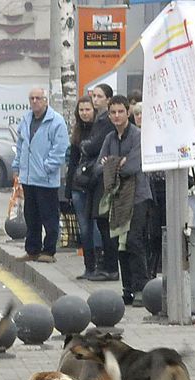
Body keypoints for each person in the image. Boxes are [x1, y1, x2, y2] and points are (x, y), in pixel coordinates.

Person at [97, 95, 152, 306]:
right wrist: (115, 163)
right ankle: (127, 289)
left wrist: (112, 164)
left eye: (121, 111)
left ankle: (142, 288)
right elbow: (99, 167)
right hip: (118, 198)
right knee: (121, 244)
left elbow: (132, 167)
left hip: (138, 195)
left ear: (127, 112)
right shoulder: (110, 138)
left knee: (134, 241)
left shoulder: (137, 136)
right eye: (113, 112)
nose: (117, 116)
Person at [11, 87, 69, 263]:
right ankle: (32, 249)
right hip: (29, 178)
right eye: (32, 98)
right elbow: (21, 144)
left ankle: (49, 251)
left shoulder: (56, 121)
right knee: (31, 216)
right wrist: (17, 166)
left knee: (49, 216)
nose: (35, 101)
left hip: (46, 179)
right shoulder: (26, 119)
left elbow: (60, 148)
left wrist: (47, 167)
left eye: (38, 98)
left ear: (45, 100)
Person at [78, 83, 119, 281]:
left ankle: (110, 267)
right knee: (101, 224)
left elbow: (94, 146)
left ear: (108, 99)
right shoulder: (99, 119)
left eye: (99, 97)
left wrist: (85, 145)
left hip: (104, 177)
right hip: (98, 178)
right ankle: (105, 265)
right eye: (93, 96)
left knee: (105, 224)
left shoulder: (105, 121)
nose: (95, 100)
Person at [66, 96, 102, 279]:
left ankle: (99, 266)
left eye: (87, 109)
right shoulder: (77, 133)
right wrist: (68, 190)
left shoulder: (99, 130)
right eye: (81, 110)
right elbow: (72, 163)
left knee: (96, 227)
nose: (84, 113)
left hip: (94, 186)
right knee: (84, 228)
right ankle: (89, 267)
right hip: (78, 187)